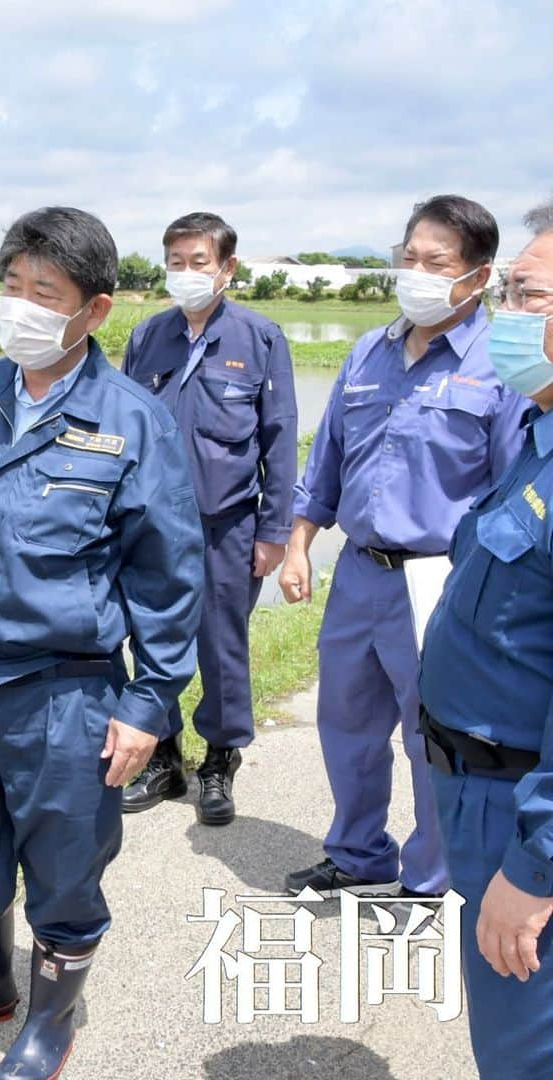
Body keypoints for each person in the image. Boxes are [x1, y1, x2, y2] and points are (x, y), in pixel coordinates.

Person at [0, 206, 204, 1079]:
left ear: (95, 310)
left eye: (42, 293)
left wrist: (149, 704)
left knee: (64, 858)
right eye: (10, 287)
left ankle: (51, 1019)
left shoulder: (133, 422)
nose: (19, 307)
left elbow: (169, 576)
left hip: (72, 690)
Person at [279, 194, 529, 900]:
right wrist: (299, 545)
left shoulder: (496, 367)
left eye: (435, 262)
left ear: (476, 277)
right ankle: (358, 853)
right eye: (408, 257)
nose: (414, 272)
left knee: (434, 739)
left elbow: (512, 492)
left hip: (441, 582)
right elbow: (325, 461)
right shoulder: (369, 352)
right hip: (359, 573)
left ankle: (431, 877)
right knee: (346, 725)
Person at [418, 200, 553, 1077]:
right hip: (481, 801)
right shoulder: (539, 438)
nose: (505, 316)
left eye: (527, 296)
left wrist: (536, 871)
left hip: (524, 825)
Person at [121, 212, 297, 824]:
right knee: (150, 639)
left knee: (222, 646)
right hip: (151, 527)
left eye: (199, 262)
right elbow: (124, 431)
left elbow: (279, 438)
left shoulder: (260, 338)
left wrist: (274, 531)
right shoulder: (147, 338)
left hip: (227, 525)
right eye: (176, 263)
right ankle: (164, 756)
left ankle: (219, 760)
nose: (186, 274)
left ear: (227, 268)